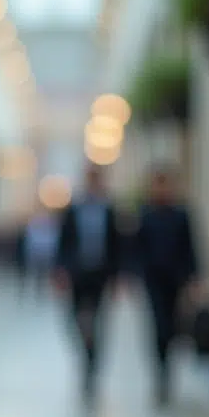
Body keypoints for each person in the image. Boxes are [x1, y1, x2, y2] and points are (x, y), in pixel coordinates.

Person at [54, 165, 122, 400]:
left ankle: (92, 365)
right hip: (77, 275)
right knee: (76, 320)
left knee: (98, 321)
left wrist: (117, 277)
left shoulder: (109, 210)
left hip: (100, 276)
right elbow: (63, 243)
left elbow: (117, 246)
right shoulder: (73, 210)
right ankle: (85, 351)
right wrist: (60, 271)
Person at [136, 166, 200, 404]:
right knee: (158, 325)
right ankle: (160, 373)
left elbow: (191, 247)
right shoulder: (147, 214)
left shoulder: (181, 214)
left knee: (172, 326)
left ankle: (168, 367)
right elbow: (137, 249)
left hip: (175, 279)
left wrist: (193, 277)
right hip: (154, 280)